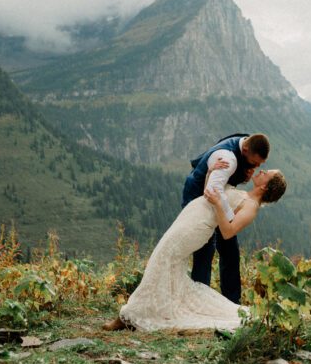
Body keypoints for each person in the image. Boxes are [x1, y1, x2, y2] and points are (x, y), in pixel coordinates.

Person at [103, 168, 287, 331]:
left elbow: (228, 232)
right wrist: (211, 173)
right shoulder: (245, 195)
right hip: (192, 217)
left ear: (265, 187)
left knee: (161, 259)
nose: (261, 171)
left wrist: (217, 204)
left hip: (196, 227)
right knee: (168, 264)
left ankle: (128, 316)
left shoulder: (251, 206)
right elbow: (211, 193)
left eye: (266, 173)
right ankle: (159, 310)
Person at [182, 134, 270, 304]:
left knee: (230, 250)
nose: (258, 167)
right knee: (204, 249)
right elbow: (214, 190)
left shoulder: (247, 143)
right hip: (198, 195)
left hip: (218, 199)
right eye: (256, 162)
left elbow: (225, 183)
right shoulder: (227, 158)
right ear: (245, 150)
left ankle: (232, 301)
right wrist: (230, 218)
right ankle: (199, 301)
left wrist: (243, 176)